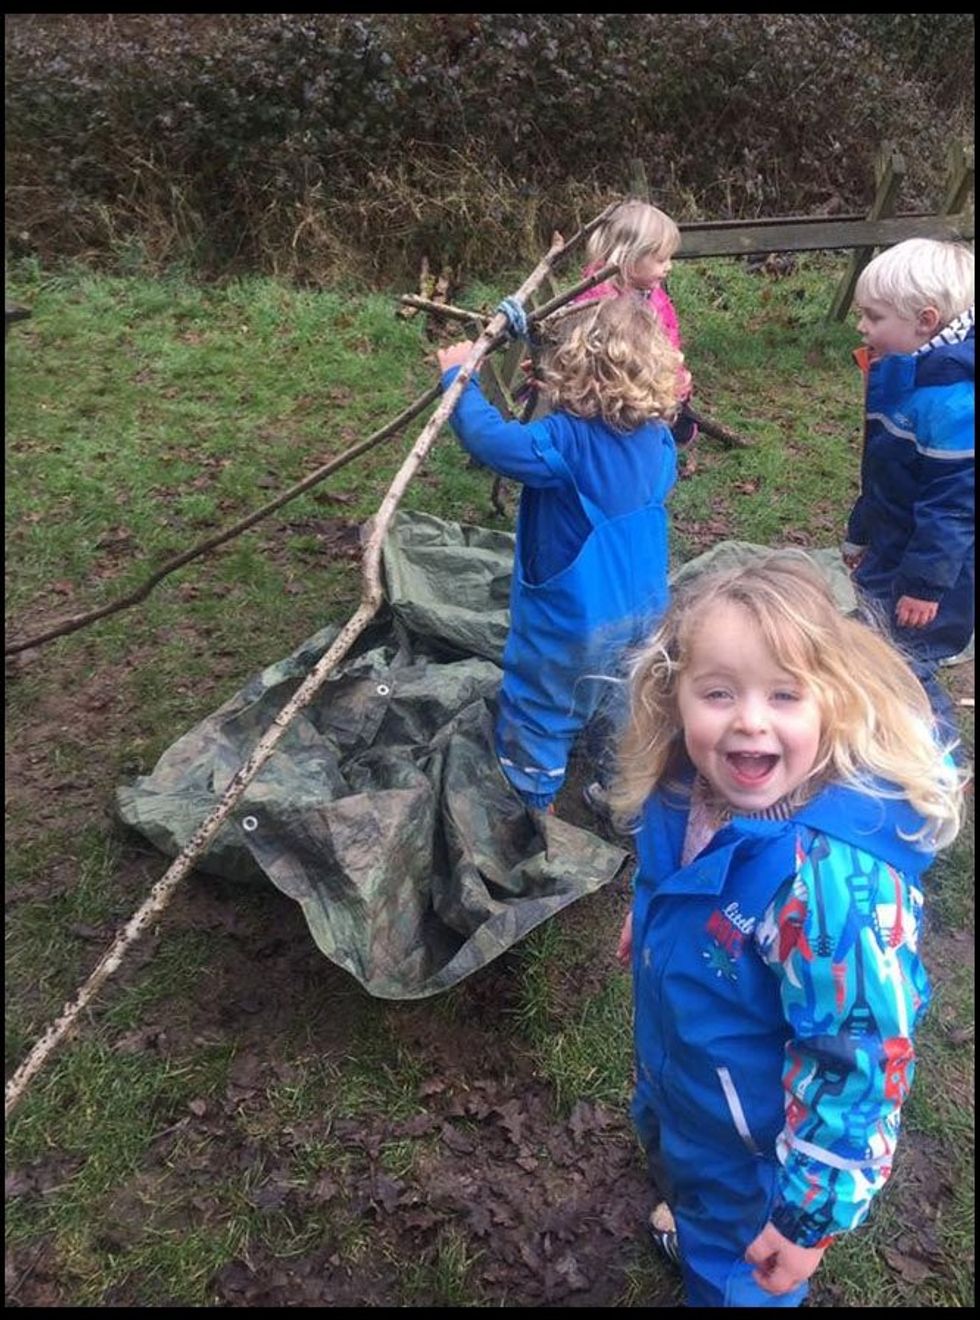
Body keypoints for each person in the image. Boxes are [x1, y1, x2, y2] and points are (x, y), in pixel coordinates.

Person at [608, 553, 966, 1308]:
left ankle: (728, 1263)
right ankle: (693, 1208)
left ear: (831, 705)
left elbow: (857, 1064)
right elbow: (672, 873)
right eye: (718, 692)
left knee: (736, 1278)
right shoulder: (684, 784)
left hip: (761, 1153)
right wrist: (651, 917)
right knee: (680, 1160)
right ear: (675, 697)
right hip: (693, 1086)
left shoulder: (831, 890)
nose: (749, 719)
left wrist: (805, 1221)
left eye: (783, 694)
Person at [436, 296, 683, 812]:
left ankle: (532, 803)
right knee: (624, 705)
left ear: (578, 374)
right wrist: (533, 342)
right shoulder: (658, 439)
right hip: (644, 613)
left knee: (541, 707)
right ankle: (622, 799)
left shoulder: (565, 441)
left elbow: (495, 442)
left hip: (572, 621)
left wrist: (461, 381)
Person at [844, 237, 974, 753]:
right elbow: (883, 464)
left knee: (903, 664)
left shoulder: (953, 404)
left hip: (937, 576)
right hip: (894, 545)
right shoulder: (906, 371)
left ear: (925, 320)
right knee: (870, 643)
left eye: (873, 317)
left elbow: (954, 507)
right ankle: (877, 728)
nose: (861, 328)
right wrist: (861, 532)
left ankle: (938, 755)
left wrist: (925, 587)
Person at [574, 198, 698, 447]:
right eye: (661, 260)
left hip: (657, 384)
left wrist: (675, 376)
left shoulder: (651, 292)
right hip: (621, 397)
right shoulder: (598, 303)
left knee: (680, 429)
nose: (669, 267)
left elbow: (668, 337)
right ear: (629, 257)